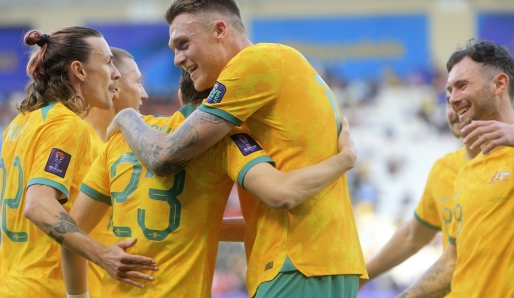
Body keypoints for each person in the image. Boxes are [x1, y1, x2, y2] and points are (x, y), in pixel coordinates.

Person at [109, 1, 367, 296]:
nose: (177, 59)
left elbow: (164, 157)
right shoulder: (283, 68)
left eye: (183, 44)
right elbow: (271, 205)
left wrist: (127, 117)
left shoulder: (253, 62)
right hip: (332, 261)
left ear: (220, 29)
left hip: (294, 264)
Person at [62, 68, 357, 297]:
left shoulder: (121, 140)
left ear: (180, 97)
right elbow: (281, 192)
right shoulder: (226, 141)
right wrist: (344, 159)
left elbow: (71, 235)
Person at [0, 27, 155, 298]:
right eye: (107, 62)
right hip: (43, 288)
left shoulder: (20, 123)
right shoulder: (68, 125)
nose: (115, 73)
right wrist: (104, 255)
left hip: (7, 283)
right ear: (79, 71)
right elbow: (38, 204)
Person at [399, 40, 514, 297]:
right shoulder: (467, 171)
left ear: (499, 84)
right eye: (449, 91)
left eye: (462, 86)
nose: (453, 99)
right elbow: (452, 261)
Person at [360, 102, 466, 288]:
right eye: (449, 99)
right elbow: (414, 235)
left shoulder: (513, 162)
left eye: (462, 89)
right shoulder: (444, 168)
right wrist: (362, 278)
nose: (453, 109)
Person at [82, 47, 148, 298]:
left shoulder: (114, 147)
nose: (144, 93)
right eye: (139, 82)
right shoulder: (77, 142)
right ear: (115, 84)